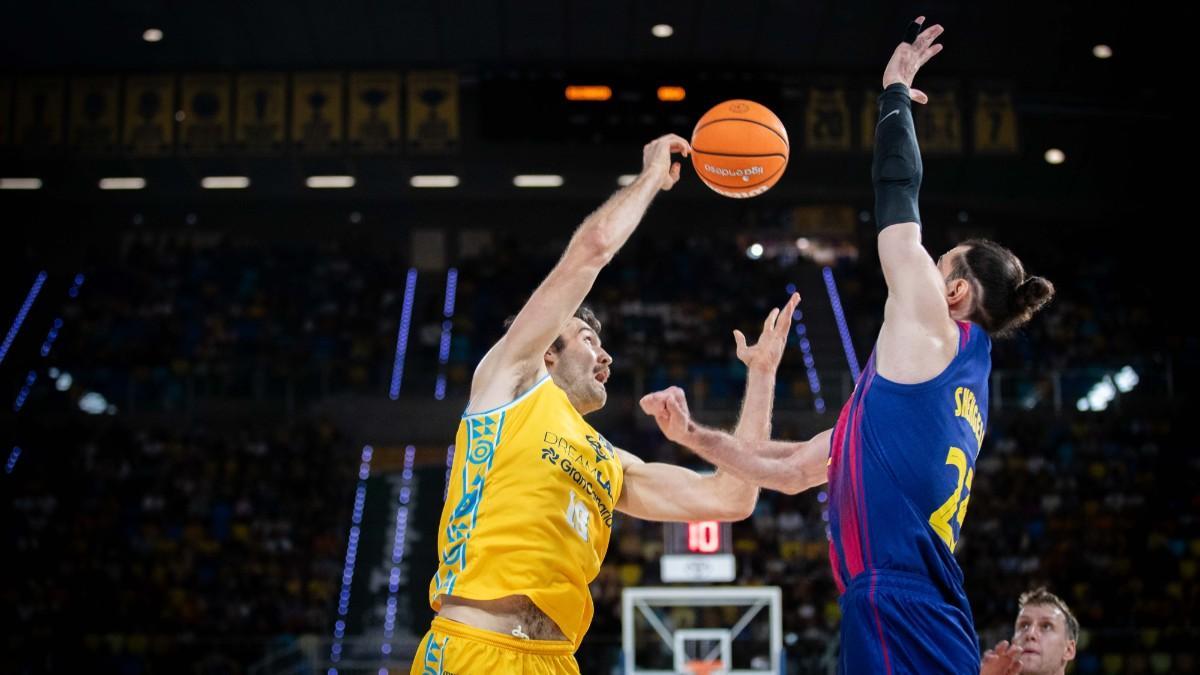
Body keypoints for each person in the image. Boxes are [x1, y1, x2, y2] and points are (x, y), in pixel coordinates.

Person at [638, 17, 1055, 674]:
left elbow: (897, 194)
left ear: (953, 290)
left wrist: (892, 95)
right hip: (923, 605)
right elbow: (790, 471)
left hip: (897, 599)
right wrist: (691, 435)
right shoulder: (925, 395)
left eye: (936, 259)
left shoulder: (936, 325)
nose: (920, 262)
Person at [412, 133, 799, 675]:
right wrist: (649, 180)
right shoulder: (510, 384)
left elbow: (733, 497)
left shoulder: (609, 461)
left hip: (556, 661)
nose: (606, 355)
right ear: (547, 352)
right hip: (475, 651)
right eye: (589, 340)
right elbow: (590, 252)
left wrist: (760, 377)